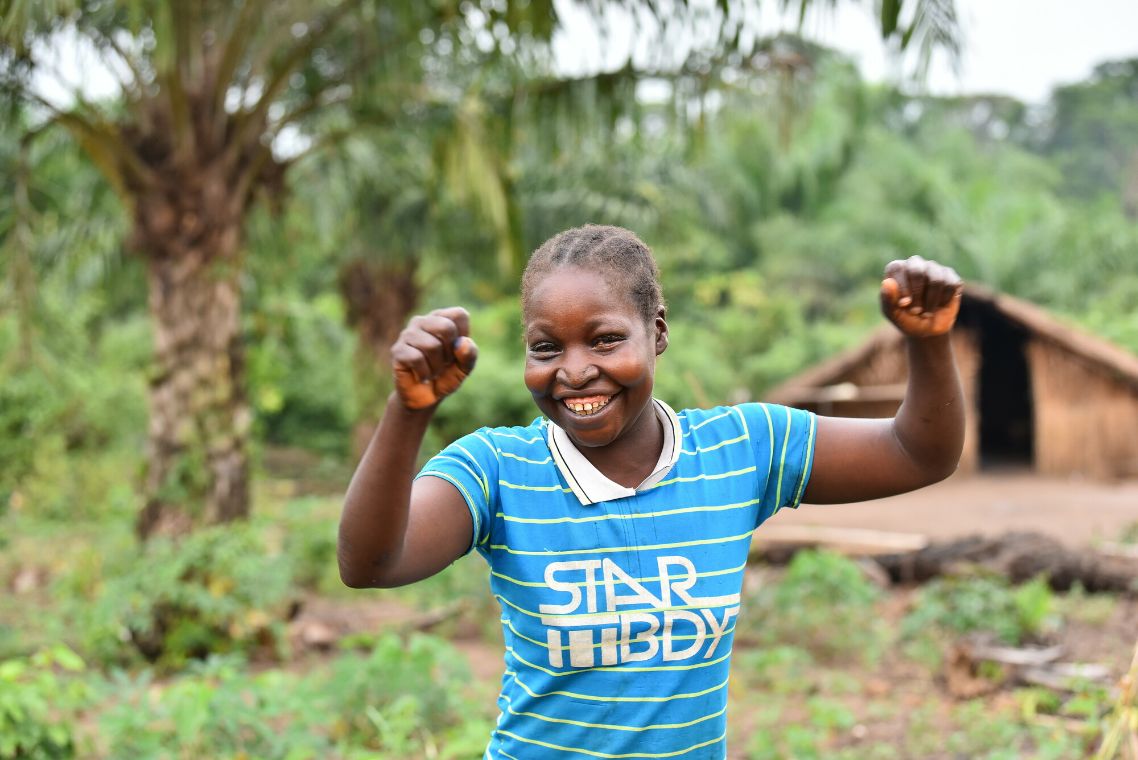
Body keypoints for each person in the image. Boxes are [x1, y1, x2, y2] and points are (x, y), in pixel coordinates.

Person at [338, 224, 965, 759]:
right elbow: (370, 563)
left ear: (657, 332)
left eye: (606, 339)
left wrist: (929, 343)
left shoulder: (742, 449)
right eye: (545, 347)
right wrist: (408, 410)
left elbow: (918, 453)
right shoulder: (497, 469)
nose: (576, 369)